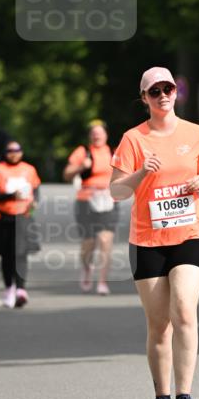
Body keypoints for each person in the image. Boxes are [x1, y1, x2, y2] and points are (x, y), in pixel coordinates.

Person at [109, 67, 199, 399]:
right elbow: (116, 191)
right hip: (147, 241)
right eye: (154, 91)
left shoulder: (195, 133)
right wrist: (141, 172)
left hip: (189, 234)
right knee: (159, 324)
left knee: (184, 309)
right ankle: (161, 398)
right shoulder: (133, 139)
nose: (163, 95)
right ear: (144, 98)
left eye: (168, 88)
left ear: (176, 92)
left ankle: (185, 397)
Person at [64, 121, 118, 294]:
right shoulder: (83, 152)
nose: (97, 136)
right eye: (94, 133)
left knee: (105, 240)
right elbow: (66, 174)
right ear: (90, 136)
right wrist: (81, 167)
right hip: (86, 199)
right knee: (88, 243)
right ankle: (87, 268)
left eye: (100, 133)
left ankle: (103, 281)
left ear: (106, 135)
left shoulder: (114, 152)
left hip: (108, 200)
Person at [0, 140, 41, 307]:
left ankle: (21, 289)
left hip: (23, 216)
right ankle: (9, 288)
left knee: (21, 253)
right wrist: (11, 196)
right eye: (10, 151)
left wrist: (33, 207)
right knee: (7, 255)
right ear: (6, 153)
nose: (14, 153)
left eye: (17, 150)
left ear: (22, 152)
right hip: (3, 217)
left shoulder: (29, 169)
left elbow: (36, 190)